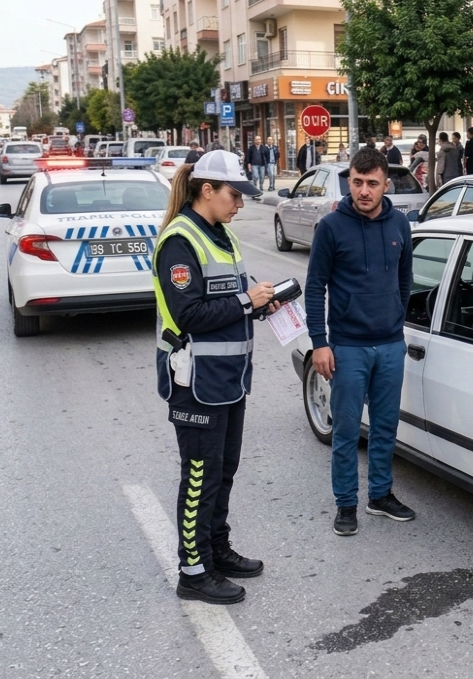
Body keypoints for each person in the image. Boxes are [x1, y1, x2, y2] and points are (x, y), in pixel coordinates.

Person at [152, 150, 273, 605]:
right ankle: (194, 569)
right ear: (207, 191)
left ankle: (216, 548)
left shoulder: (222, 235)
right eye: (234, 195)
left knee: (224, 470)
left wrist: (264, 303)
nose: (239, 203)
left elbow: (234, 293)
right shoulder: (179, 241)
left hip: (228, 379)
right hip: (196, 383)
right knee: (199, 475)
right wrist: (248, 303)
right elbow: (190, 314)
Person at [304, 147, 417, 537]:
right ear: (348, 181)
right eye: (357, 182)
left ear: (386, 184)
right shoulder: (331, 227)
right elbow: (315, 287)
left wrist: (395, 321)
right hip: (347, 347)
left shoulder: (400, 226)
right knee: (348, 431)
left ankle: (380, 495)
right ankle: (346, 503)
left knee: (385, 427)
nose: (364, 191)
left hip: (389, 345)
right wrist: (320, 342)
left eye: (372, 183)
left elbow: (406, 279)